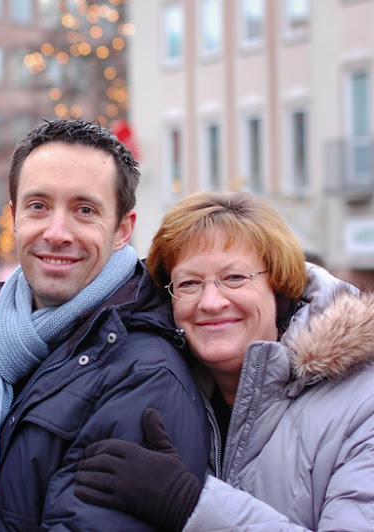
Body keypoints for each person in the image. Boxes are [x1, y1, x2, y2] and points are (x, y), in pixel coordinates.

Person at [74, 190, 374, 531]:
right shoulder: (161, 385)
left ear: (278, 285)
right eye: (189, 283)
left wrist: (190, 504)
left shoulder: (364, 405)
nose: (211, 302)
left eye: (234, 278)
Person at [0, 119, 210, 532]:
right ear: (14, 217)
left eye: (85, 210)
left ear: (123, 229)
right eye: (38, 206)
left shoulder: (143, 372)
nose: (57, 233)